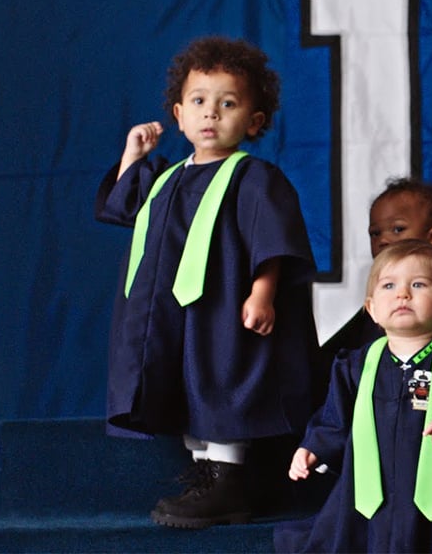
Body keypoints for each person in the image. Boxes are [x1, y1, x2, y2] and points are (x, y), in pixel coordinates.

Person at [94, 36, 317, 528]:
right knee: (190, 385)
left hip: (224, 309)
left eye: (228, 103)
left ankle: (230, 480)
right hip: (179, 314)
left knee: (223, 383)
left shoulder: (254, 176)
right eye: (198, 102)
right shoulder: (168, 178)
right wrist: (134, 155)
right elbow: (123, 208)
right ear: (178, 114)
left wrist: (262, 293)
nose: (210, 113)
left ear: (254, 122)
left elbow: (271, 240)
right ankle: (206, 477)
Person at [274, 240, 432, 553]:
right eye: (388, 285)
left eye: (418, 284)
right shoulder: (355, 365)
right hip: (371, 490)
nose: (402, 294)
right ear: (372, 308)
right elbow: (334, 417)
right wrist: (313, 447)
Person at [315, 177, 432, 401]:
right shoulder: (382, 306)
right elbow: (330, 363)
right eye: (375, 233)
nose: (384, 239)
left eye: (398, 229)